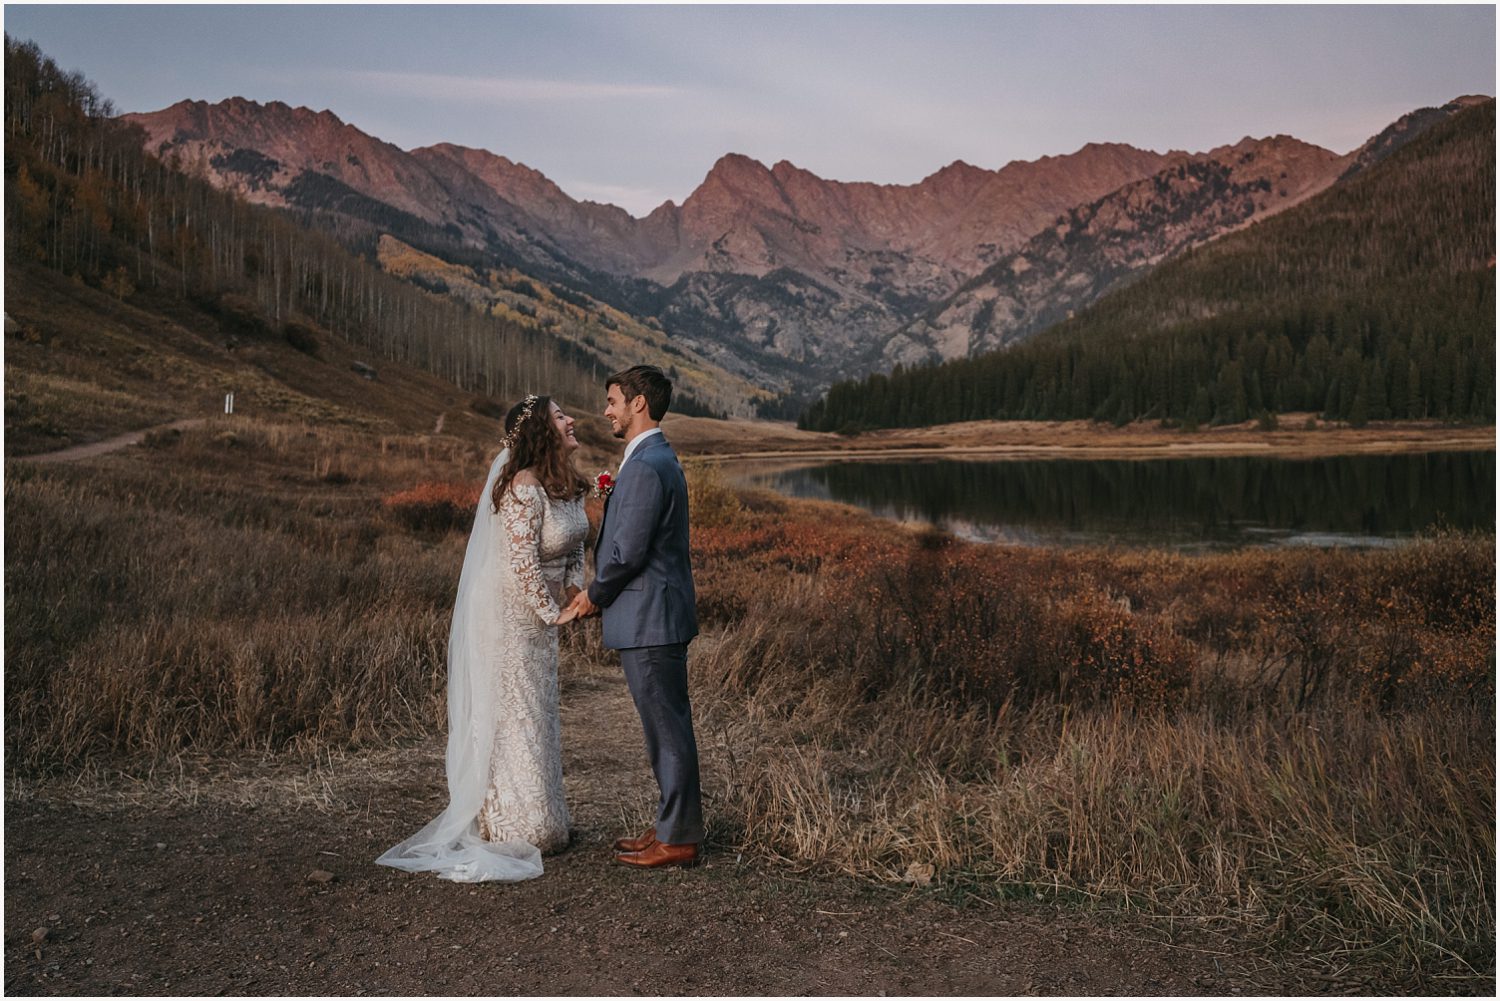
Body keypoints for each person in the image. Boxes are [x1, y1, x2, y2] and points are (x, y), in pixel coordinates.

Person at [377, 394, 589, 882]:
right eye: (560, 416)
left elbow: (574, 541)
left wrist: (576, 586)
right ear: (541, 429)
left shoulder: (565, 487)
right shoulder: (520, 487)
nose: (572, 419)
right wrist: (551, 613)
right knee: (513, 709)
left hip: (543, 617)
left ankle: (545, 815)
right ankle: (515, 823)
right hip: (510, 617)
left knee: (538, 709)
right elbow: (520, 563)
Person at [564, 365, 703, 869]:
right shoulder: (653, 458)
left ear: (638, 403)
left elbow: (627, 552)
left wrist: (594, 595)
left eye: (613, 401)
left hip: (651, 617)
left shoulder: (646, 466)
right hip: (654, 615)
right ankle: (671, 825)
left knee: (666, 729)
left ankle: (680, 839)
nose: (607, 411)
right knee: (663, 728)